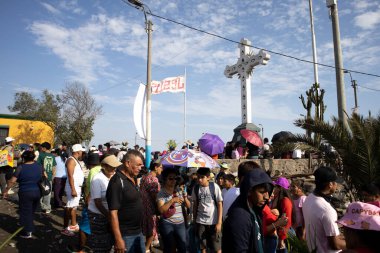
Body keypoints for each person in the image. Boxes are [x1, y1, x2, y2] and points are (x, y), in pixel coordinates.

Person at [222, 169, 273, 252]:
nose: (266, 197)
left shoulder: (254, 210)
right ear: (249, 191)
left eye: (268, 192)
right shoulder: (239, 217)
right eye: (262, 192)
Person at [106, 150, 145, 253]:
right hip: (125, 235)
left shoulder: (133, 177)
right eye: (138, 165)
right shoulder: (117, 182)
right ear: (128, 163)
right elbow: (113, 213)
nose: (141, 168)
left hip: (138, 232)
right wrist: (118, 239)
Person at [302, 166, 346, 252]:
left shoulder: (309, 199)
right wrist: (355, 244)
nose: (336, 185)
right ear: (330, 184)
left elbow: (324, 232)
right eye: (335, 182)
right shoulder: (326, 209)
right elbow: (335, 244)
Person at [2, 151, 43, 238]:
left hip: (26, 192)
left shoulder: (21, 167)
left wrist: (6, 190)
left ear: (24, 158)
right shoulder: (39, 166)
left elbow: (12, 181)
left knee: (25, 211)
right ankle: (28, 225)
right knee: (31, 211)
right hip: (37, 191)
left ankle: (27, 231)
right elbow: (43, 176)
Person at [87, 155, 120, 253]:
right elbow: (98, 202)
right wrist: (109, 216)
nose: (114, 169)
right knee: (100, 244)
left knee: (111, 241)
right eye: (111, 166)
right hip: (98, 215)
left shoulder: (114, 176)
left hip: (111, 213)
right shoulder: (97, 179)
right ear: (104, 166)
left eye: (115, 167)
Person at [157, 167, 190, 253]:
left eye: (175, 178)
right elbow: (161, 210)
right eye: (170, 178)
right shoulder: (161, 193)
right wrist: (172, 200)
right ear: (165, 179)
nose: (173, 180)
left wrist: (185, 197)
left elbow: (188, 205)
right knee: (169, 247)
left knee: (183, 247)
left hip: (180, 223)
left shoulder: (178, 190)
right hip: (168, 223)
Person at [192, 167, 223, 253]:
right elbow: (195, 205)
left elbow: (220, 204)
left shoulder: (214, 187)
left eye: (202, 177)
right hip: (200, 221)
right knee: (203, 246)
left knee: (217, 247)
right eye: (198, 177)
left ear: (208, 177)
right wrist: (194, 220)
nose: (200, 179)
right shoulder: (196, 188)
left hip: (213, 222)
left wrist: (219, 223)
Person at [62, 144, 85, 236]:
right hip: (73, 186)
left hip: (76, 186)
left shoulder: (74, 160)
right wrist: (73, 189)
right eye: (81, 151)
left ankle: (73, 225)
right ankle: (65, 228)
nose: (82, 152)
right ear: (77, 151)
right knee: (69, 207)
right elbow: (70, 175)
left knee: (73, 207)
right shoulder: (71, 160)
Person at [140, 160, 163, 252]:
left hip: (143, 206)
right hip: (150, 208)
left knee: (147, 229)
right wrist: (159, 209)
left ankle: (147, 247)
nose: (162, 169)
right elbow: (155, 196)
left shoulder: (145, 177)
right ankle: (146, 249)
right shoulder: (153, 179)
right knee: (151, 229)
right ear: (156, 167)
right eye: (161, 167)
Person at [270, 177, 295, 252]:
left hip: (285, 233)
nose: (274, 189)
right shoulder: (277, 199)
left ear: (280, 188)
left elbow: (287, 220)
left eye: (276, 187)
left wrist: (281, 238)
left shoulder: (285, 201)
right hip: (280, 232)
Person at [37, 142, 56, 214]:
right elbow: (54, 167)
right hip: (50, 177)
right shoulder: (52, 156)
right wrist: (53, 176)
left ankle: (40, 206)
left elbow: (38, 165)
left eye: (42, 147)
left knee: (40, 191)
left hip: (41, 177)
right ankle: (47, 208)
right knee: (48, 193)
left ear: (44, 148)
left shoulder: (41, 155)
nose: (41, 148)